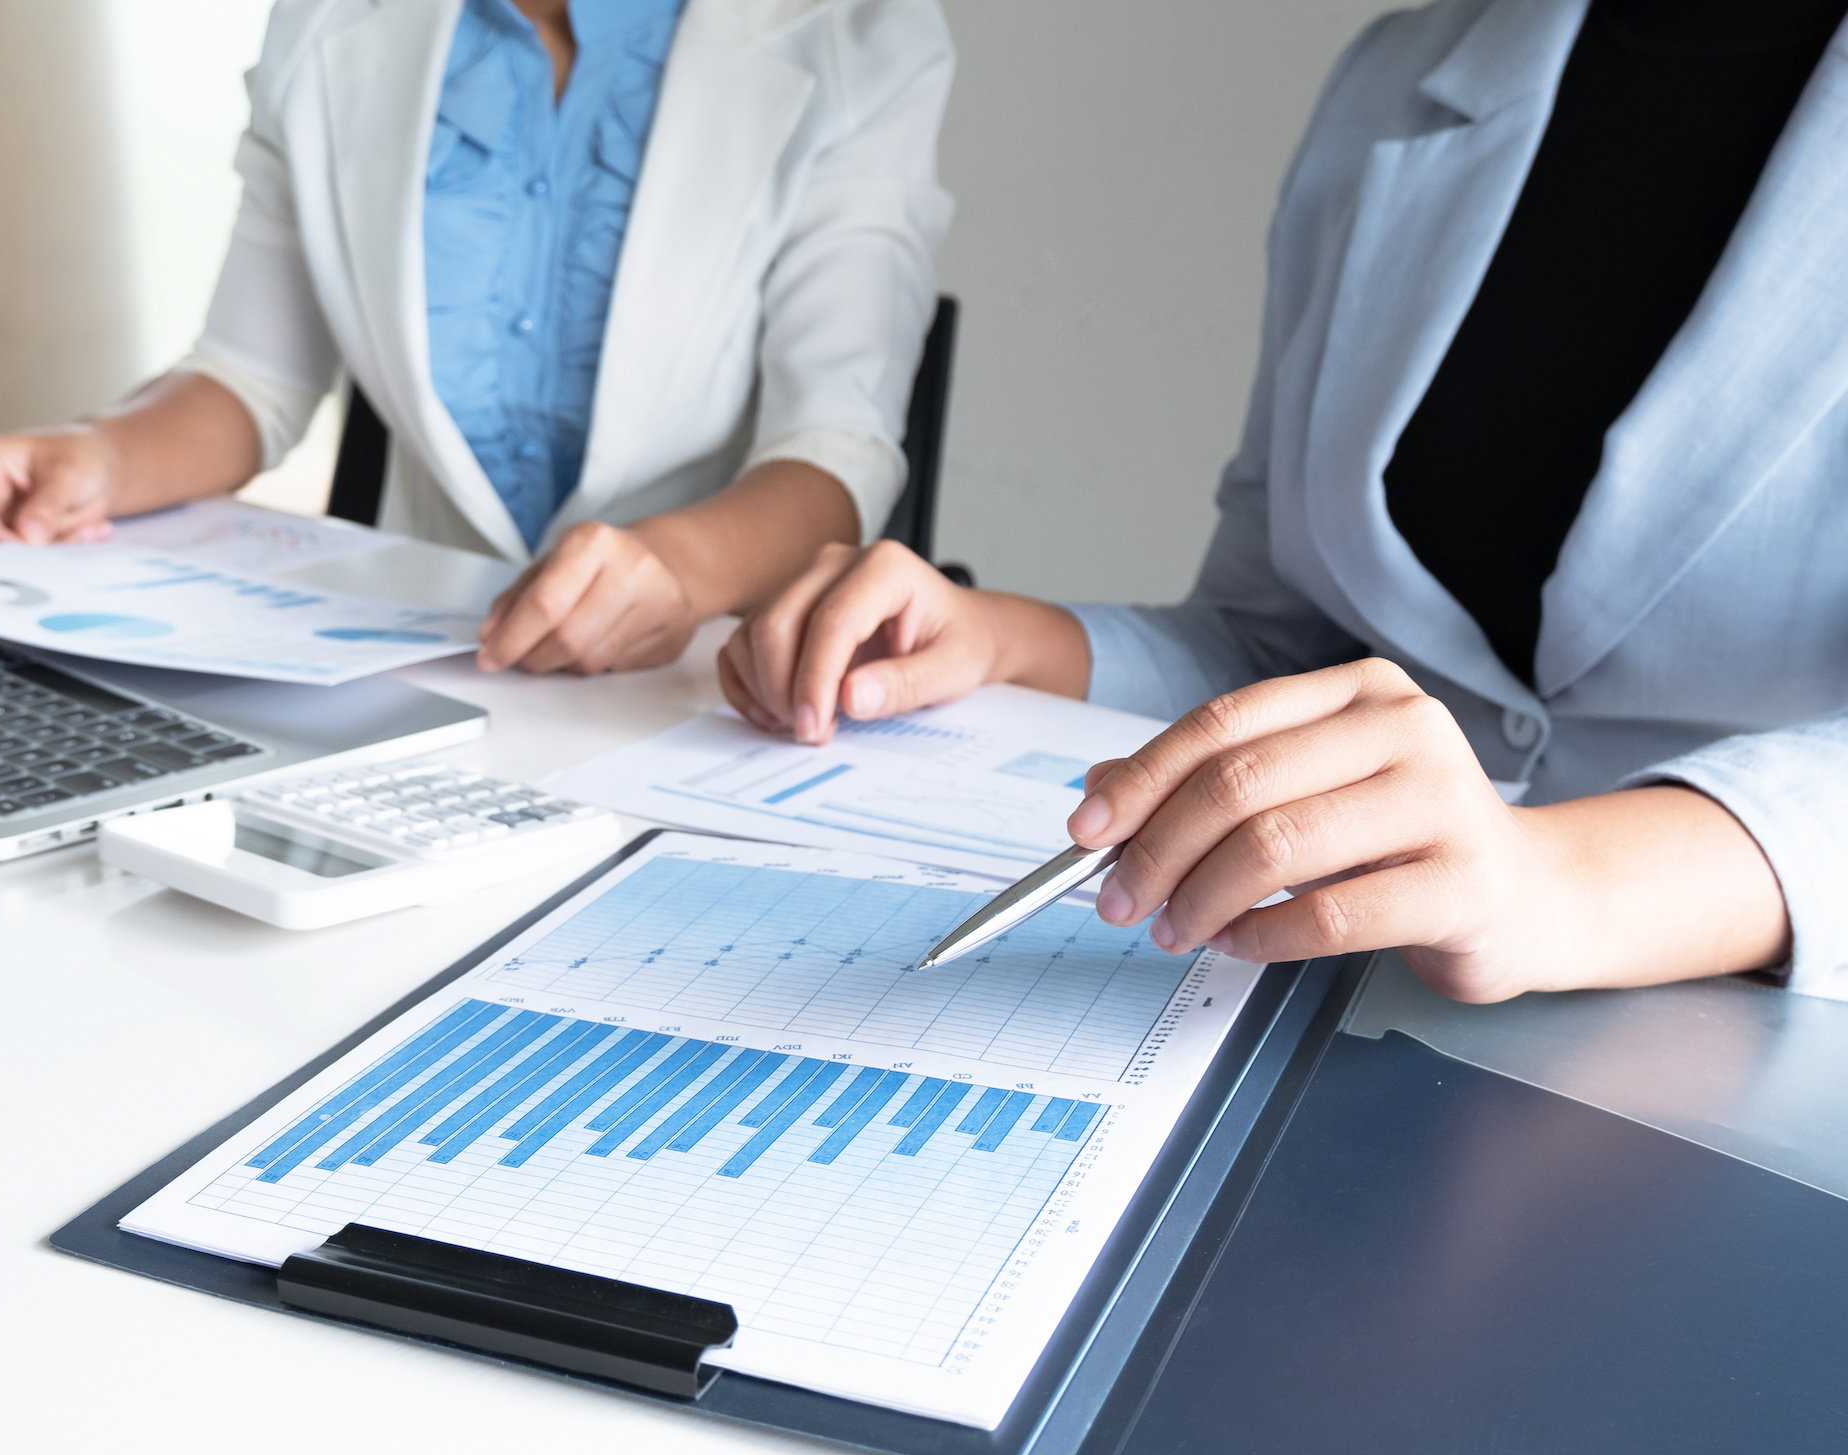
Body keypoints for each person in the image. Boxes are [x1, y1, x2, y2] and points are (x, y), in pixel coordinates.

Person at [720, 0, 1848, 1004]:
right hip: (1324, 999)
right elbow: (1289, 648)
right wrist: (1005, 640)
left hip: (1744, 1048)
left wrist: (1560, 879)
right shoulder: (1396, 76)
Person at [0, 0, 952, 678]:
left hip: (706, 674)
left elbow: (835, 450)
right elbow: (249, 381)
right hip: (415, 651)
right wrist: (102, 455)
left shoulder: (860, 34)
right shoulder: (335, 21)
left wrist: (676, 571)